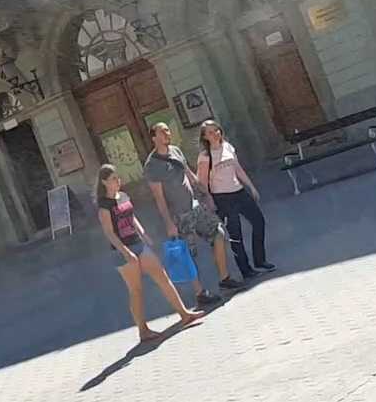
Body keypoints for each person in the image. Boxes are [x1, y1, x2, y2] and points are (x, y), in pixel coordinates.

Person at [96, 164, 205, 343]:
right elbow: (109, 233)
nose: (118, 181)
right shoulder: (104, 206)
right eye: (113, 179)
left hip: (138, 244)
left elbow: (132, 217)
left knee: (163, 277)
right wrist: (126, 252)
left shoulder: (123, 196)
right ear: (104, 182)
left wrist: (143, 234)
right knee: (136, 290)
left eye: (118, 177)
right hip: (121, 252)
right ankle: (143, 331)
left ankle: (184, 314)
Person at [144, 123, 242, 305]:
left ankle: (224, 278)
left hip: (195, 207)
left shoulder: (175, 151)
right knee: (188, 253)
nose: (167, 133)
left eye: (167, 130)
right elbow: (159, 197)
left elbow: (189, 174)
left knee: (218, 233)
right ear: (153, 138)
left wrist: (206, 195)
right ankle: (200, 293)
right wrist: (169, 223)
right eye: (162, 132)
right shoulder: (152, 165)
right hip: (178, 216)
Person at [197, 120, 271, 278]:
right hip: (222, 198)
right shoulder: (205, 157)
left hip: (239, 192)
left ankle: (260, 260)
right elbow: (202, 182)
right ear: (205, 137)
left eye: (216, 130)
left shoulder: (228, 147)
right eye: (210, 132)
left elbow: (238, 169)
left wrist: (251, 186)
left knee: (259, 221)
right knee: (235, 234)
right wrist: (209, 200)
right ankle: (246, 270)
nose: (215, 134)